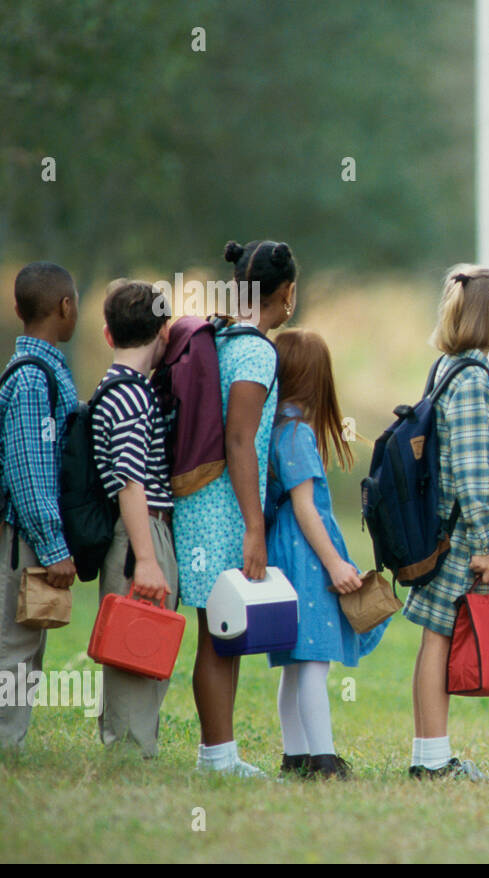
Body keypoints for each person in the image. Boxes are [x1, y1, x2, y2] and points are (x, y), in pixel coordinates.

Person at [172, 240, 295, 777]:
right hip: (225, 507)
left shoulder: (217, 337)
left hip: (197, 500)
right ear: (286, 295)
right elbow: (241, 440)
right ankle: (217, 758)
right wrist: (254, 527)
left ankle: (217, 753)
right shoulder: (257, 351)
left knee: (216, 630)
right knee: (220, 636)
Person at [405, 264, 489, 781]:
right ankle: (432, 759)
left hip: (444, 527)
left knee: (435, 637)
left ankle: (428, 755)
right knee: (440, 639)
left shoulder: (448, 367)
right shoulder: (471, 378)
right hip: (461, 533)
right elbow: (472, 470)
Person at [265, 329, 386, 780]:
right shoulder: (296, 433)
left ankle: (295, 757)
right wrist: (335, 562)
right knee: (314, 660)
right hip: (305, 555)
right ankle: (324, 760)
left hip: (288, 548)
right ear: (316, 379)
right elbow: (304, 507)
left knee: (295, 664)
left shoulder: (277, 426)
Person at [91, 280, 177, 757]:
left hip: (146, 530)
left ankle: (138, 746)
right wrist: (145, 558)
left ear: (109, 334)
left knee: (147, 645)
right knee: (134, 648)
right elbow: (129, 480)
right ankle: (128, 753)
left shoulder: (130, 389)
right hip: (140, 534)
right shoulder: (129, 395)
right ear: (163, 331)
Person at [0, 262, 79, 748]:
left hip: (31, 534)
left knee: (27, 644)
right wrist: (52, 547)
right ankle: (6, 746)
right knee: (14, 645)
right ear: (65, 307)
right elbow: (29, 472)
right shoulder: (33, 380)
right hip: (25, 536)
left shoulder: (41, 371)